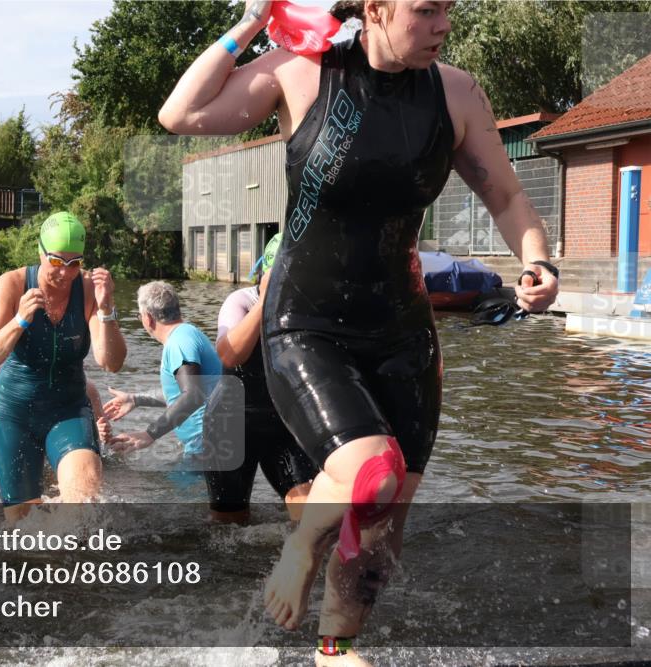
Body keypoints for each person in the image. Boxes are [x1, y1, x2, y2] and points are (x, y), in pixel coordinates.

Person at [158, 1, 560, 662]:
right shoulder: (303, 72)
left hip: (402, 333)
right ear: (375, 8)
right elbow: (180, 114)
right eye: (427, 10)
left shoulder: (455, 94)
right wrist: (257, 18)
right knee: (370, 471)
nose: (444, 25)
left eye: (448, 10)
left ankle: (334, 649)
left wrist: (537, 261)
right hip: (306, 322)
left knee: (381, 531)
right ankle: (301, 544)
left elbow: (509, 197)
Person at [0, 211, 126, 520]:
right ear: (41, 252)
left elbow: (110, 362)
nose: (66, 273)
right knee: (21, 526)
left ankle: (76, 565)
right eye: (57, 261)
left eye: (75, 263)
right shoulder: (12, 284)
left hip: (68, 409)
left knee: (84, 504)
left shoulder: (88, 290)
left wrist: (107, 308)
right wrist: (19, 321)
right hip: (14, 415)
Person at [204, 233, 315, 523]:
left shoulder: (308, 309)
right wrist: (266, 300)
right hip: (228, 425)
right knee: (228, 528)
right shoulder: (241, 301)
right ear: (266, 273)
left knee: (312, 517)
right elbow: (229, 354)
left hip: (283, 425)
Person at [103, 281, 222, 465]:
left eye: (139, 315)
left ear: (148, 318)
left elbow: (192, 396)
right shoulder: (187, 334)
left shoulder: (178, 343)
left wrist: (149, 434)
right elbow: (182, 394)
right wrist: (136, 399)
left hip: (206, 446)